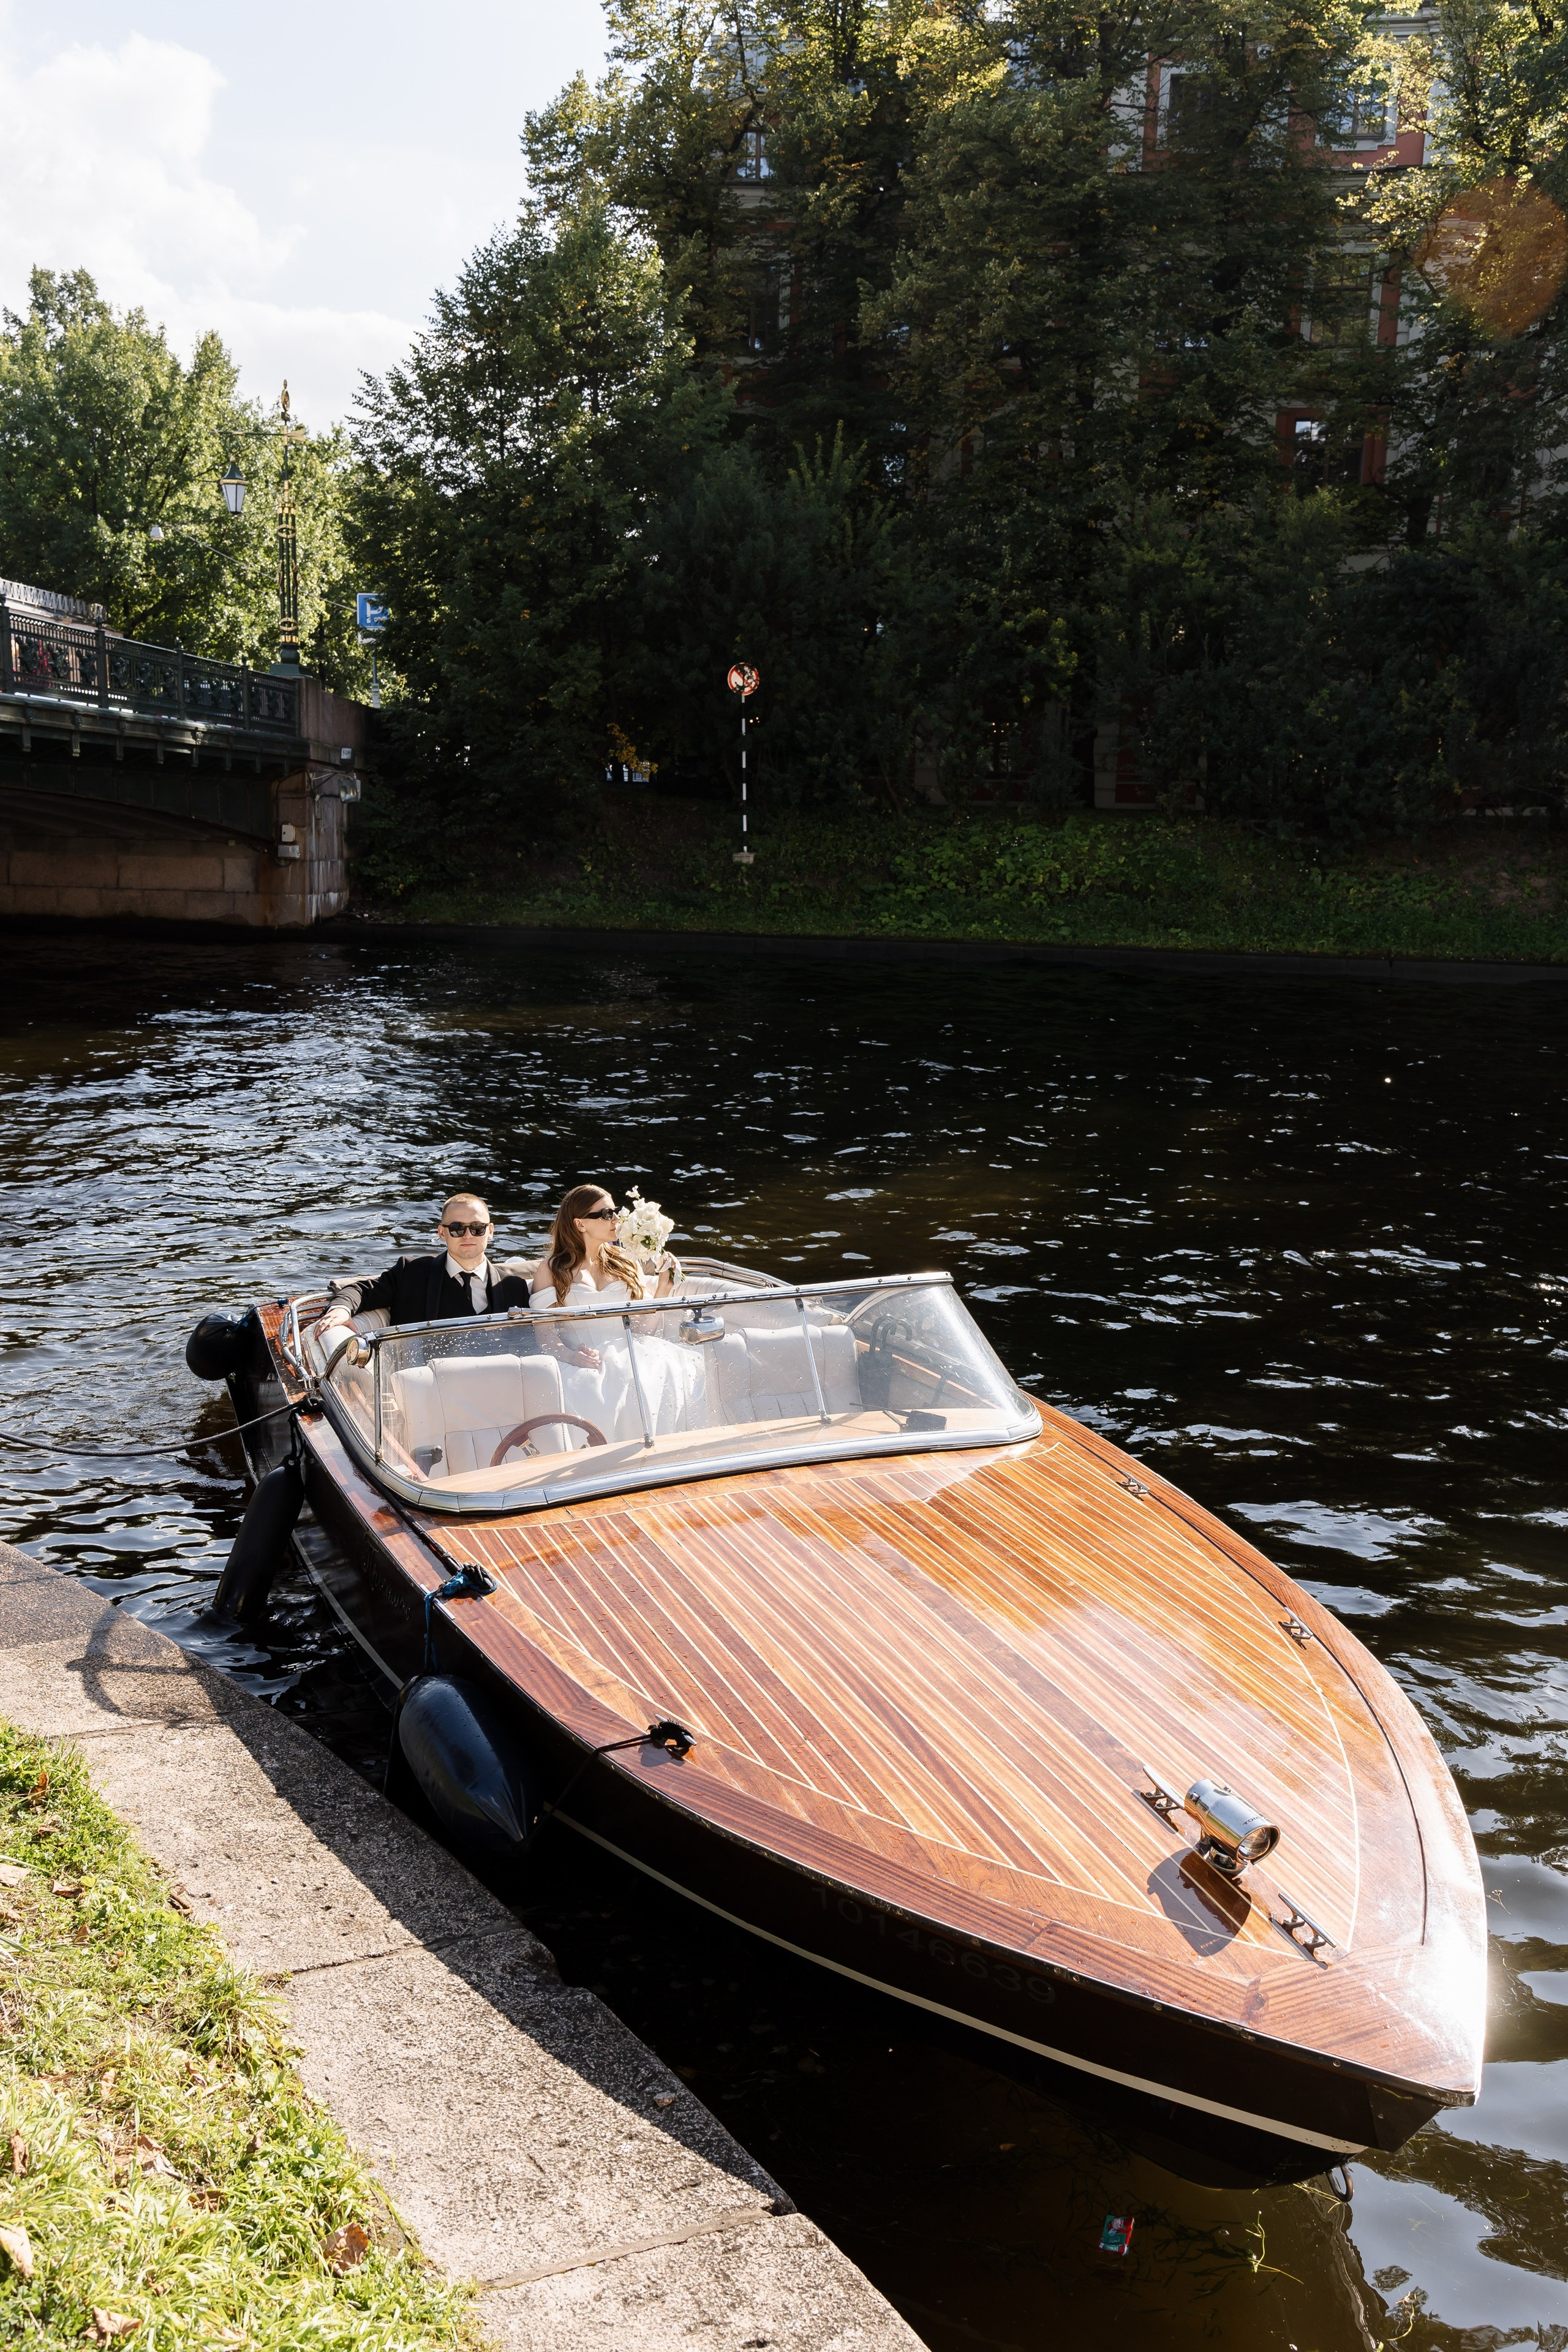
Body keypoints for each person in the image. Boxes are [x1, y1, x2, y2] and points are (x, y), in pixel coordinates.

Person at [526, 1183, 703, 1441]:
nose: (617, 1219)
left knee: (654, 1375)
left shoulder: (627, 1260)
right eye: (606, 1214)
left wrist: (663, 1287)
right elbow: (546, 1337)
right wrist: (572, 1357)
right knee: (596, 1390)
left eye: (616, 1211)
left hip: (632, 1354)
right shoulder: (551, 1269)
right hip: (581, 1362)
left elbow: (643, 1328)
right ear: (580, 1224)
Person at [317, 1193, 533, 1336]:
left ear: (491, 1232)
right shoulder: (411, 1272)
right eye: (457, 1228)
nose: (468, 1235)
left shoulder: (514, 1288)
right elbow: (361, 1291)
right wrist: (341, 1310)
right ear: (442, 1233)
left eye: (477, 1228)